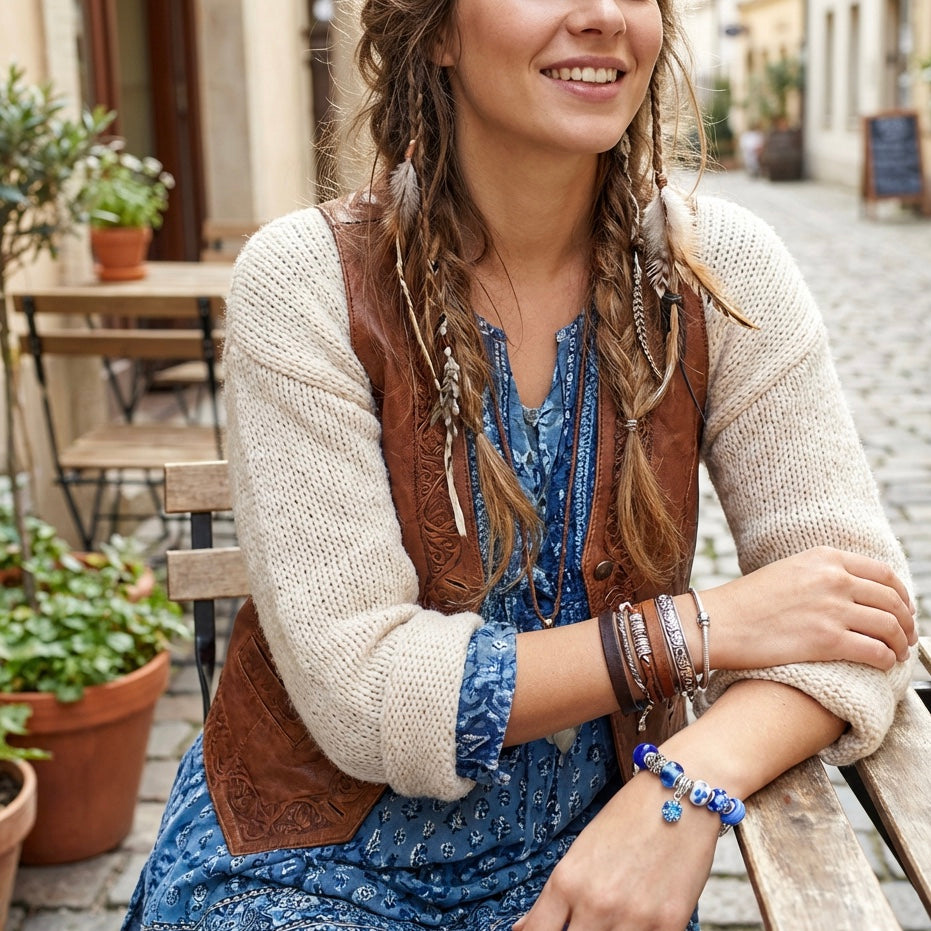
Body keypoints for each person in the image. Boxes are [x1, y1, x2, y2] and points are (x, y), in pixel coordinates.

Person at [123, 2, 918, 929]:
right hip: (305, 871)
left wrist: (684, 788)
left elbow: (863, 618)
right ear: (440, 31)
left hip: (597, 862)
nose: (602, 17)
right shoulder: (305, 282)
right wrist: (696, 630)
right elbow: (366, 694)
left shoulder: (717, 273)